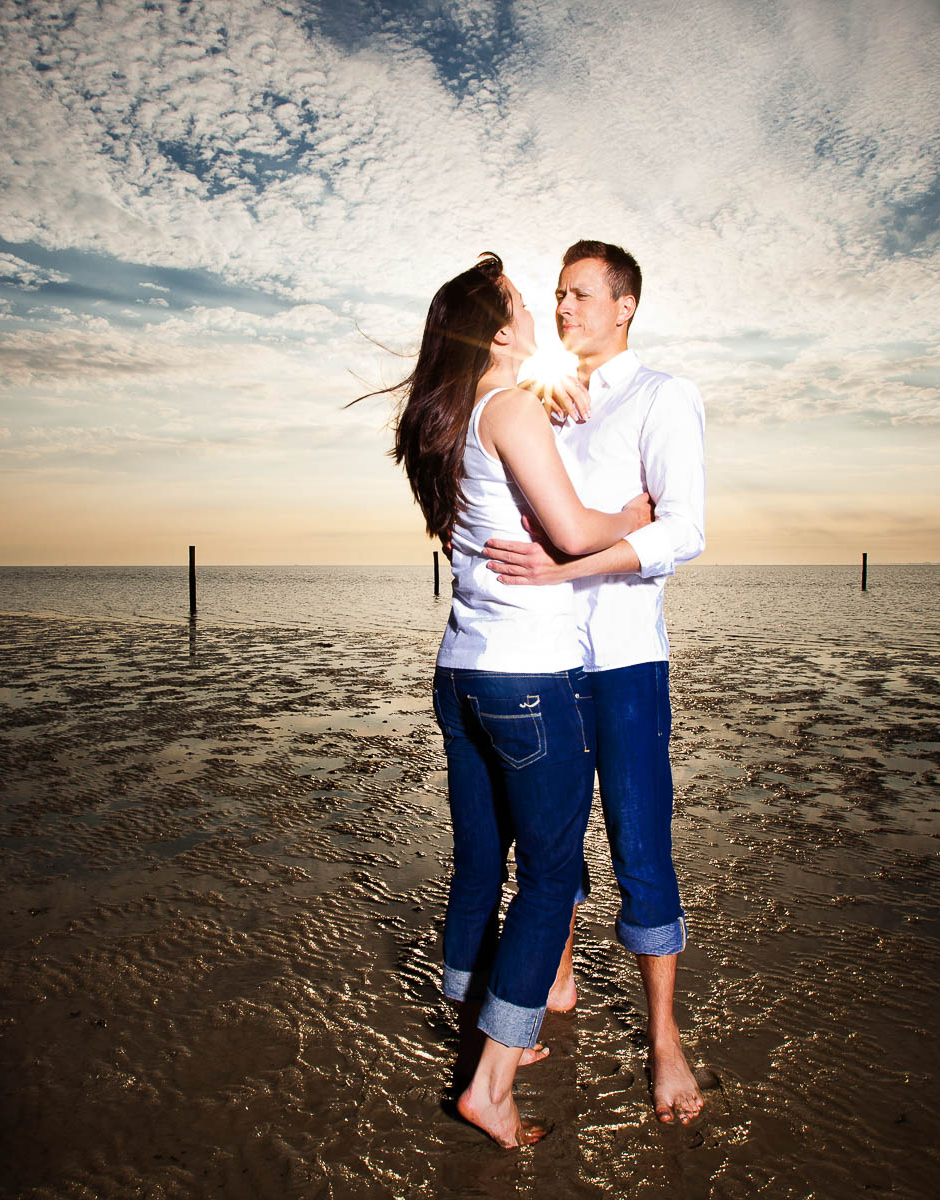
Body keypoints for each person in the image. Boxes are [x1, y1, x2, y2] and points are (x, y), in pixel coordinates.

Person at [369, 252, 655, 1148]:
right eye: (525, 304)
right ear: (497, 330)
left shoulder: (447, 420)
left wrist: (552, 398)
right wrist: (639, 513)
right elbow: (571, 532)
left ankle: (482, 1027)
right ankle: (491, 1084)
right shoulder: (510, 409)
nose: (540, 311)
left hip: (461, 671)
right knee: (552, 879)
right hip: (530, 677)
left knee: (480, 863)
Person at [482, 239, 708, 1125]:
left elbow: (683, 531)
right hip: (542, 661)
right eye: (557, 296)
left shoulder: (664, 397)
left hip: (622, 663)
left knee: (642, 847)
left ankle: (663, 1040)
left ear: (625, 307)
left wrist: (569, 569)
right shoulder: (539, 401)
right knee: (550, 845)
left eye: (580, 295)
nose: (564, 308)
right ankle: (561, 980)